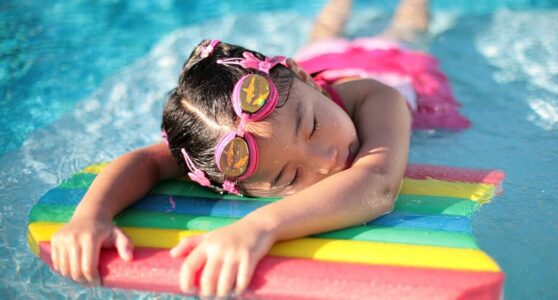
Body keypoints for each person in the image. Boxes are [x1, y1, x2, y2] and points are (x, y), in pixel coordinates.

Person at [50, 0, 453, 298]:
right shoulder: (238, 150)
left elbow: (378, 186)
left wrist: (259, 227)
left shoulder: (376, 99)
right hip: (304, 84)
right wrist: (91, 217)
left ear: (302, 77)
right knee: (326, 37)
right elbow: (148, 163)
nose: (328, 162)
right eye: (288, 177)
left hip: (398, 65)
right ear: (237, 189)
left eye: (312, 126)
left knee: (405, 26)